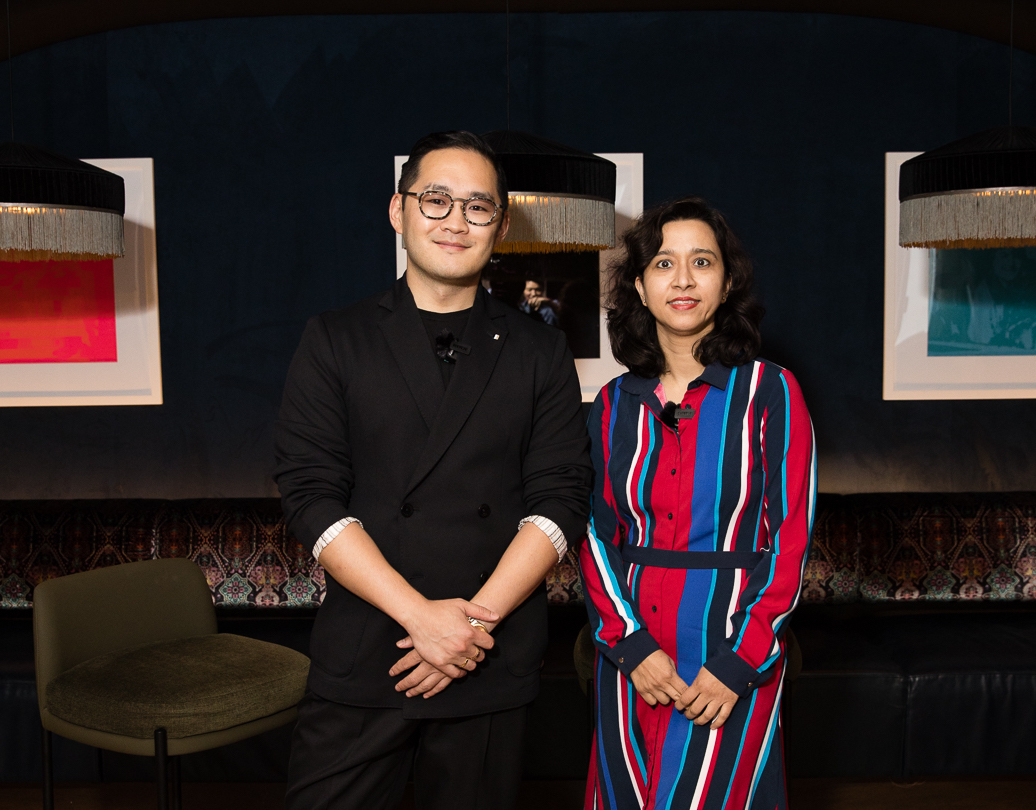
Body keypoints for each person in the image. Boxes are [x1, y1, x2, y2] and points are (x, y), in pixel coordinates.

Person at [274, 131, 592, 810]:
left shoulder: (540, 351)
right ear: (399, 210)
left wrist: (470, 627)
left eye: (478, 206)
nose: (455, 221)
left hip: (488, 652)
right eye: (436, 199)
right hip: (370, 646)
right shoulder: (335, 338)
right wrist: (420, 618)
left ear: (501, 226)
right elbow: (310, 495)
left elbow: (560, 498)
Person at [578, 197, 816, 810]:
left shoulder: (771, 391)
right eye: (663, 263)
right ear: (639, 285)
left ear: (727, 281)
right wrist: (629, 645)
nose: (682, 279)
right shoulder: (611, 405)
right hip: (632, 655)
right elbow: (595, 535)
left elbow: (790, 541)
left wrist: (740, 662)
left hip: (729, 651)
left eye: (702, 262)